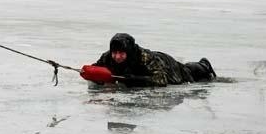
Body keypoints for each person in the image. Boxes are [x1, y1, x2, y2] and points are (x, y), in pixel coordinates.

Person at [89, 33, 217, 87]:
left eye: (121, 53)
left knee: (186, 73)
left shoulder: (145, 58)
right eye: (115, 53)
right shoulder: (107, 56)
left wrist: (134, 80)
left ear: (128, 51)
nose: (117, 57)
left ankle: (204, 65)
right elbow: (95, 68)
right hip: (151, 67)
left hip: (167, 64)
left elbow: (162, 80)